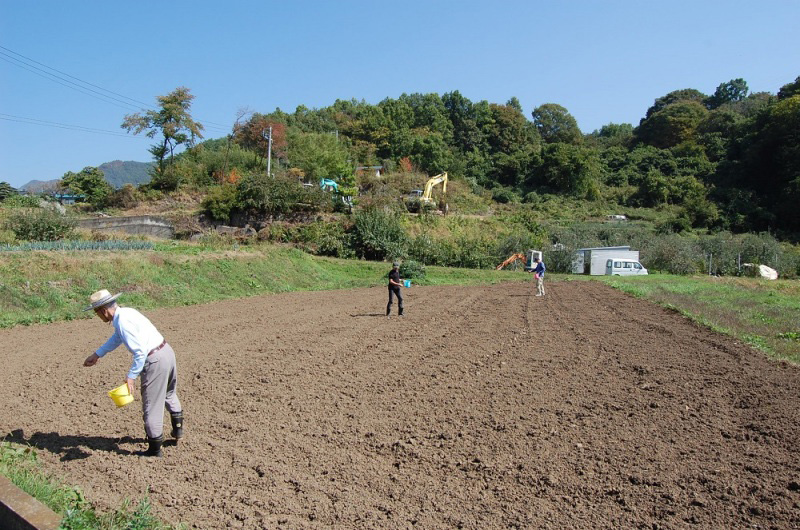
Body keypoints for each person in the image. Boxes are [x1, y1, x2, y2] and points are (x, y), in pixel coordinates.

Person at [82, 289, 183, 457]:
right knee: (169, 393)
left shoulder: (123, 322)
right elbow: (118, 338)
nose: (98, 316)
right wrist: (97, 354)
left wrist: (131, 377)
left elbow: (140, 352)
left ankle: (154, 450)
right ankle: (178, 431)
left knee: (151, 406)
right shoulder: (127, 313)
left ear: (103, 311)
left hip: (154, 360)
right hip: (167, 352)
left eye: (96, 313)